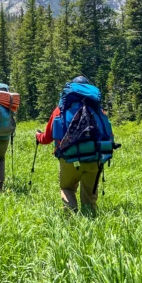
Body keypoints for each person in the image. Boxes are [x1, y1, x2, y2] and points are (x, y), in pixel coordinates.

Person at [36, 76, 115, 214]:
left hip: (69, 157)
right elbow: (109, 136)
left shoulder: (60, 110)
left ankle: (71, 220)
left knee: (67, 188)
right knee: (89, 196)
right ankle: (90, 222)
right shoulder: (98, 110)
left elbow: (47, 137)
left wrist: (38, 136)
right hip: (94, 157)